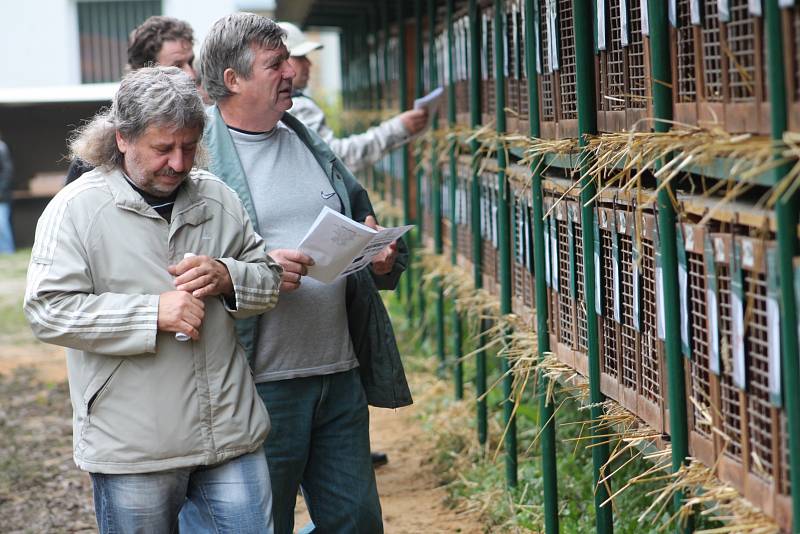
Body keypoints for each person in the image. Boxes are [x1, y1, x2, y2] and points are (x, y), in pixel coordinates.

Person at [24, 66, 281, 534]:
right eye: (163, 148)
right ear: (122, 138)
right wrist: (151, 313)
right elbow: (47, 310)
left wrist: (228, 276)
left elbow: (270, 279)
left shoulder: (219, 198)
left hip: (230, 435)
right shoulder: (75, 209)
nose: (180, 163)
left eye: (189, 147)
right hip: (133, 449)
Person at [198, 13, 412, 533]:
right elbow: (177, 264)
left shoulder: (312, 145)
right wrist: (255, 271)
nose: (291, 71)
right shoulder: (197, 159)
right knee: (263, 523)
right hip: (258, 386)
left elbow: (362, 222)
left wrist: (381, 255)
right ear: (233, 79)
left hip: (339, 375)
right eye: (275, 64)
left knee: (356, 521)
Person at [278, 21, 428, 173]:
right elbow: (336, 159)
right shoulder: (297, 106)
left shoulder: (273, 108)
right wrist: (399, 128)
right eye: (300, 57)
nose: (309, 63)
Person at [66, 16, 198, 184]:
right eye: (177, 66)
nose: (191, 75)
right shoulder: (96, 153)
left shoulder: (206, 123)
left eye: (190, 62)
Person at [0, 134, 14, 254]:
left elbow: (7, 172)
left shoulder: (1, 147)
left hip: (2, 196)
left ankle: (7, 252)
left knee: (2, 224)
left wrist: (1, 190)